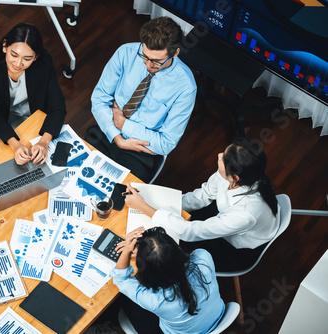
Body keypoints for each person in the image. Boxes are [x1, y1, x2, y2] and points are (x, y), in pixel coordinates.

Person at [124, 137, 280, 272]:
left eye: (223, 157)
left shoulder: (246, 214)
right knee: (170, 227)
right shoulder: (237, 173)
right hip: (225, 218)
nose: (219, 155)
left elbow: (190, 232)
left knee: (167, 248)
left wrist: (145, 208)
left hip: (233, 249)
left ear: (235, 178)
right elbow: (203, 195)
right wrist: (159, 204)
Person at [86, 16, 197, 183]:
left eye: (157, 61)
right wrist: (117, 137)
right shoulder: (125, 53)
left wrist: (123, 124)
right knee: (71, 175)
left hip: (141, 151)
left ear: (175, 52)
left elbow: (166, 143)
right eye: (144, 56)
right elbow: (99, 98)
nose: (148, 65)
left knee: (117, 202)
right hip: (107, 131)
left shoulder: (186, 87)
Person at [0, 22, 66, 165]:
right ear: (5, 46)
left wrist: (44, 141)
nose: (18, 64)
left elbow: (58, 106)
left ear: (35, 57)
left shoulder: (44, 64)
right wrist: (15, 144)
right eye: (14, 54)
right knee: (8, 166)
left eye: (27, 59)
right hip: (1, 121)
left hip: (33, 116)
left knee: (48, 162)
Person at [112, 226, 224, 334]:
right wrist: (154, 253)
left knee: (122, 298)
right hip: (218, 317)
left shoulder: (157, 301)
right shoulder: (204, 258)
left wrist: (127, 250)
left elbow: (121, 279)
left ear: (149, 273)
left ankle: (110, 322)